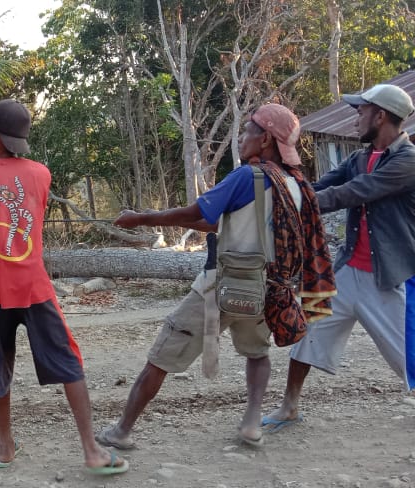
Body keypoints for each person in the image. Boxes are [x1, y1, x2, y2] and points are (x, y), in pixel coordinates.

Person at [101, 103, 335, 449]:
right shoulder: (295, 186)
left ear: (266, 138)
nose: (241, 138)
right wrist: (166, 219)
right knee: (257, 354)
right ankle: (252, 424)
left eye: (247, 131)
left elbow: (197, 211)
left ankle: (121, 431)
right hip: (265, 292)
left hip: (219, 287)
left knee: (162, 355)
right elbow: (214, 221)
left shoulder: (247, 177)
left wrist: (141, 218)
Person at [0, 99, 128, 474]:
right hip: (33, 287)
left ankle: (7, 445)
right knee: (70, 362)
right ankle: (92, 450)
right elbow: (22, 214)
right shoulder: (40, 174)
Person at [263, 84, 415, 430]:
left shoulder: (408, 162)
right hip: (348, 273)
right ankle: (289, 407)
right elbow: (319, 187)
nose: (356, 119)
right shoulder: (359, 158)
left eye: (361, 111)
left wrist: (294, 203)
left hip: (389, 278)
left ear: (380, 116)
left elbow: (354, 192)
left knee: (409, 358)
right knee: (310, 333)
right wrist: (284, 193)